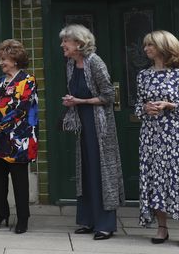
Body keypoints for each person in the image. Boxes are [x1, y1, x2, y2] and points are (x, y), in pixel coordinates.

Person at [136, 30, 179, 248]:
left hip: (177, 136)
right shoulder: (143, 76)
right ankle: (162, 228)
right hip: (151, 135)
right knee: (154, 179)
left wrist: (169, 105)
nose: (146, 48)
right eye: (145, 45)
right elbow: (137, 107)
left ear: (164, 47)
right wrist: (146, 108)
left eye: (151, 45)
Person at [60, 24, 124, 241]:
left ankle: (105, 224)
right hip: (82, 123)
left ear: (78, 43)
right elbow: (74, 90)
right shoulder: (70, 63)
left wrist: (81, 101)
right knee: (85, 171)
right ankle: (87, 220)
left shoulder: (95, 62)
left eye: (65, 42)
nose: (62, 45)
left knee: (101, 171)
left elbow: (108, 96)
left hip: (99, 125)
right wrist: (72, 101)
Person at [0, 39, 39, 234]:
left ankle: (23, 218)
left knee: (20, 182)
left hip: (18, 139)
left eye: (4, 59)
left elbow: (22, 109)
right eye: (0, 59)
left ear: (15, 59)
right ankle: (1, 215)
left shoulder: (27, 81)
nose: (1, 63)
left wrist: (0, 126)